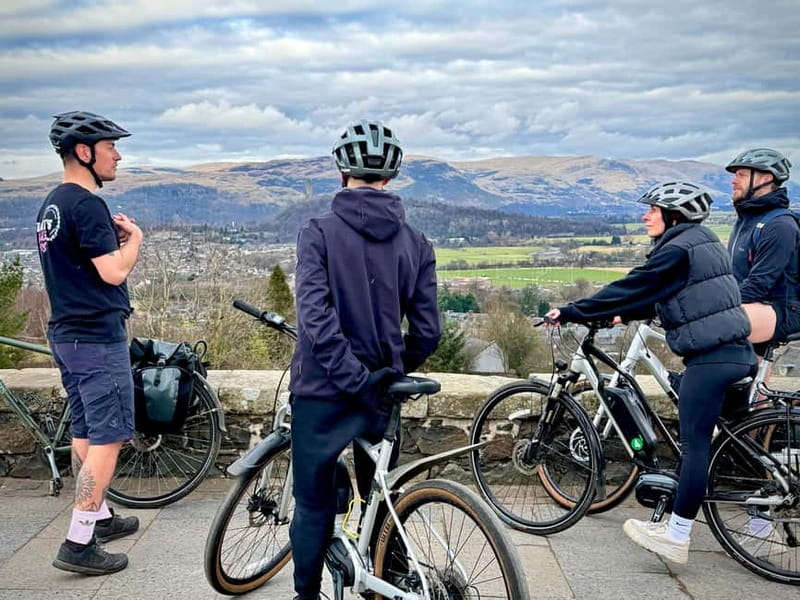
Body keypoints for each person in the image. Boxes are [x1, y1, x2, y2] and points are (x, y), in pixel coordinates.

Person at [546, 181, 756, 565]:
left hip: (710, 360)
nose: (645, 215)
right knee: (733, 444)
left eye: (653, 209)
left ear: (673, 215)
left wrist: (574, 310)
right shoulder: (703, 241)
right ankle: (758, 522)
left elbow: (635, 284)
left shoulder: (675, 249)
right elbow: (672, 294)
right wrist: (624, 314)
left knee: (695, 447)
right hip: (736, 353)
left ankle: (676, 535)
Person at [288, 119, 441, 599]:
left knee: (313, 504)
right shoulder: (417, 243)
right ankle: (386, 583)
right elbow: (429, 332)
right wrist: (389, 371)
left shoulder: (317, 233)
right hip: (382, 392)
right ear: (390, 178)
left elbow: (315, 319)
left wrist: (351, 376)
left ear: (341, 171)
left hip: (322, 391)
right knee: (382, 500)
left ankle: (306, 595)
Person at [37, 111, 143, 575]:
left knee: (85, 431)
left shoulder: (52, 205)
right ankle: (79, 541)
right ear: (85, 152)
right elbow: (114, 271)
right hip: (96, 338)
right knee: (109, 437)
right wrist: (135, 239)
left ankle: (98, 517)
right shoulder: (86, 205)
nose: (117, 154)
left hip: (66, 334)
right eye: (110, 146)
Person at [726, 148, 799, 354]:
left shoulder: (779, 225)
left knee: (714, 325)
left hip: (783, 308)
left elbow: (759, 284)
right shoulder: (746, 220)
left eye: (741, 174)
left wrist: (717, 304)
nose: (733, 180)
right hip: (751, 306)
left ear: (765, 178)